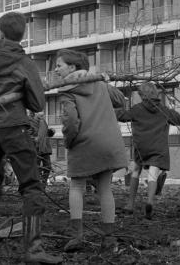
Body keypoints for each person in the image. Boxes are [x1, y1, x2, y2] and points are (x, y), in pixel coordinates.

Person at [0, 12, 61, 264]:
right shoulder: (24, 62)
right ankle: (34, 250)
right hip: (14, 127)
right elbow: (37, 103)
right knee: (31, 186)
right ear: (22, 35)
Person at [56, 49, 126, 253]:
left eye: (59, 65)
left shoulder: (66, 89)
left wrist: (69, 142)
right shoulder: (98, 83)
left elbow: (70, 121)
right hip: (109, 142)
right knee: (105, 188)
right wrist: (103, 81)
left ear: (72, 67)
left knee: (77, 186)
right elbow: (121, 100)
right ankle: (109, 238)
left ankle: (77, 236)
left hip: (84, 143)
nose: (56, 70)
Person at [117, 81, 180, 220]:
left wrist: (118, 105)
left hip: (141, 147)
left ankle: (130, 205)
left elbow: (122, 117)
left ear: (142, 95)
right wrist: (170, 109)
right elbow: (178, 120)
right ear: (156, 94)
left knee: (135, 171)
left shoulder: (137, 109)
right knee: (153, 175)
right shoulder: (163, 110)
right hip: (158, 148)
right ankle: (150, 202)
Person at [29, 112, 54, 186]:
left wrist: (50, 132)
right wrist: (35, 139)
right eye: (40, 112)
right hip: (37, 148)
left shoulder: (42, 121)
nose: (42, 114)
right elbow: (29, 134)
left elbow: (44, 133)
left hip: (45, 148)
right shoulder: (30, 121)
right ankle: (37, 184)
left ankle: (43, 184)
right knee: (37, 167)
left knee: (47, 167)